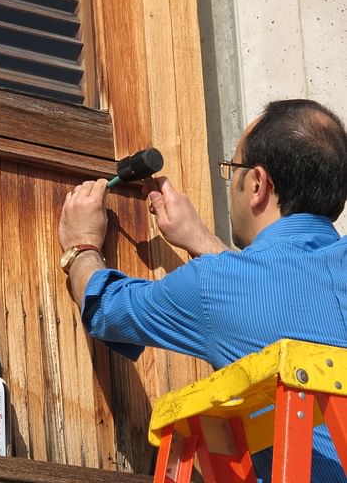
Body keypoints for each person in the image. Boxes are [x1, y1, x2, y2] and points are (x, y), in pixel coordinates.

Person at [58, 99, 347, 482]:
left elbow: (109, 310)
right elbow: (289, 292)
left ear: (258, 184)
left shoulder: (213, 284)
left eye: (233, 170)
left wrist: (82, 247)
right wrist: (203, 241)